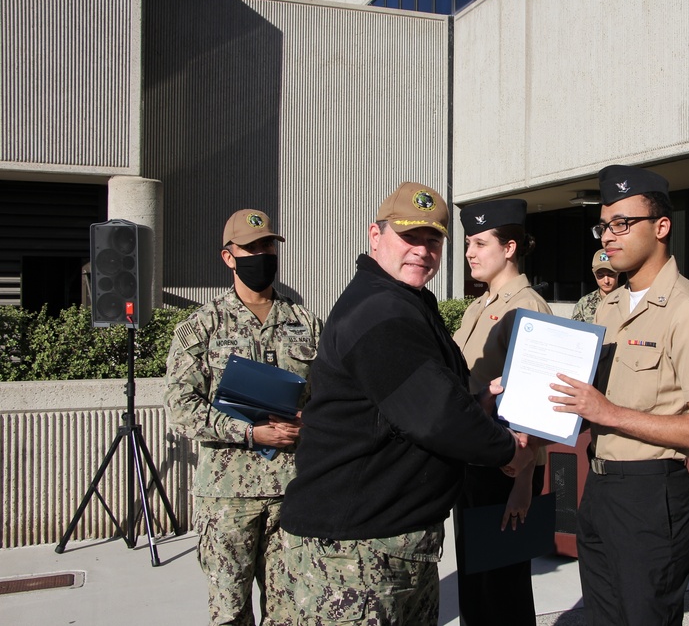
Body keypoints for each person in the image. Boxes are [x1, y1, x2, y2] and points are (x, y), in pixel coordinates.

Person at [280, 182, 533, 626]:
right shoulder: (380, 310)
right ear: (375, 238)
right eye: (409, 237)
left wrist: (478, 402)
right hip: (357, 551)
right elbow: (435, 416)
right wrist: (509, 451)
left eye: (433, 240)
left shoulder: (404, 301)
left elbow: (419, 400)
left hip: (387, 538)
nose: (422, 250)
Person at [548, 165, 689, 626]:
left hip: (651, 495)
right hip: (601, 487)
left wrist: (607, 412)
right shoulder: (608, 305)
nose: (609, 236)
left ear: (662, 226)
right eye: (604, 225)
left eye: (623, 224)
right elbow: (588, 399)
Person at [164, 208, 324, 626]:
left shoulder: (306, 323)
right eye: (250, 248)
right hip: (227, 498)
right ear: (228, 256)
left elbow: (335, 397)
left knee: (292, 612)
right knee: (230, 614)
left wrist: (308, 422)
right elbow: (180, 408)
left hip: (292, 490)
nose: (261, 254)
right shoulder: (202, 327)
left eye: (267, 246)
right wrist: (251, 433)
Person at [451, 198, 551, 626]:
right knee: (476, 592)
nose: (470, 252)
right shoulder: (480, 304)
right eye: (468, 243)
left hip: (507, 470)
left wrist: (525, 480)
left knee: (503, 594)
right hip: (474, 462)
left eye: (479, 242)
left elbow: (539, 409)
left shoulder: (525, 308)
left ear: (509, 247)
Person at [571, 249, 619, 323]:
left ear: (618, 272)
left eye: (611, 275)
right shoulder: (584, 303)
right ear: (594, 274)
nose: (606, 281)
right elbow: (575, 330)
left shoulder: (628, 298)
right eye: (600, 275)